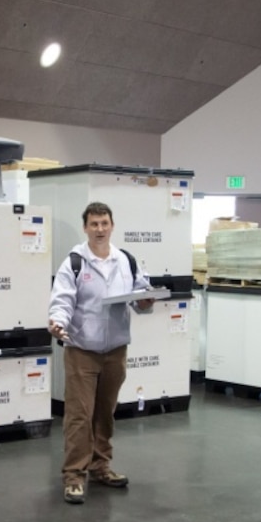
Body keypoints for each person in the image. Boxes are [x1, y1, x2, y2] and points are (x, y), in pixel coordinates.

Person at [48, 202, 154, 505]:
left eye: (104, 223)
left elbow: (140, 293)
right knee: (80, 416)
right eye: (94, 224)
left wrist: (146, 302)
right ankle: (73, 476)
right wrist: (58, 322)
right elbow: (62, 300)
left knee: (104, 414)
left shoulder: (126, 260)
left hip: (115, 350)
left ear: (112, 225)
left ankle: (100, 467)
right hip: (82, 349)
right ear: (85, 227)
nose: (99, 229)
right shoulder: (74, 262)